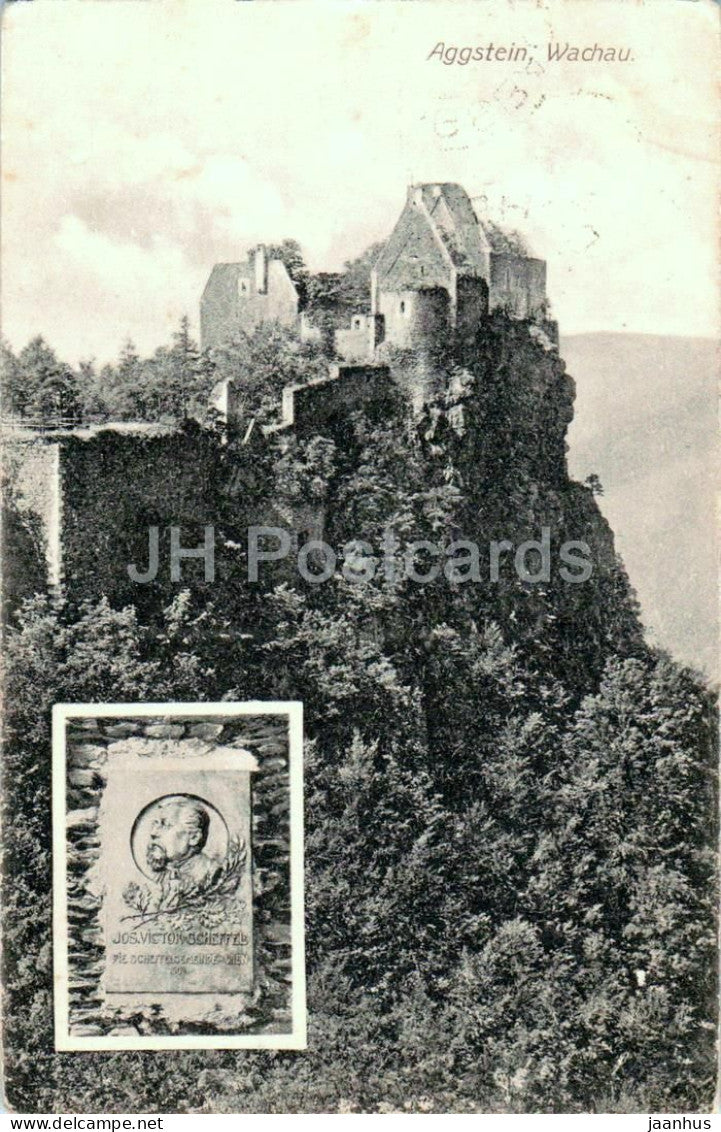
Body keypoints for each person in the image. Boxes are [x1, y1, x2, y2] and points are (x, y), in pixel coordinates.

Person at [145, 796, 221, 910]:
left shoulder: (212, 874)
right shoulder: (160, 876)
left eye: (165, 825)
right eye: (155, 824)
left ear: (194, 837)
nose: (153, 832)